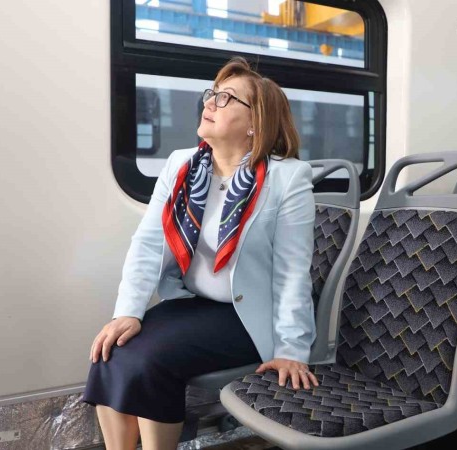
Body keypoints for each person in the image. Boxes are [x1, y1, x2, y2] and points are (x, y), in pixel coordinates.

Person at [82, 56, 317, 450]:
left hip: (248, 314)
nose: (209, 102)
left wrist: (292, 350)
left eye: (226, 98)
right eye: (212, 93)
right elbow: (149, 242)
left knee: (151, 360)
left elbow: (292, 271)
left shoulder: (287, 177)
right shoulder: (182, 165)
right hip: (195, 303)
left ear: (256, 122)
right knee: (110, 350)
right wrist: (128, 312)